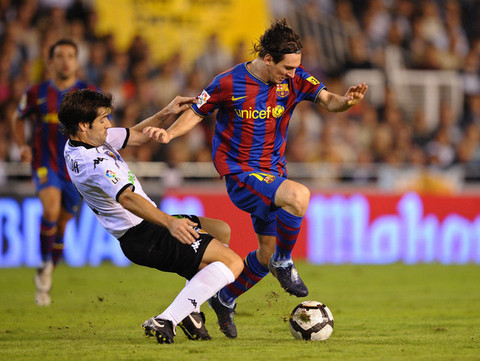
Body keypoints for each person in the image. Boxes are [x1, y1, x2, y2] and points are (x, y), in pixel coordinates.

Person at [145, 19, 368, 338]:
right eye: (287, 68)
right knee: (298, 197)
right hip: (241, 173)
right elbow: (196, 111)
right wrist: (169, 133)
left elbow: (329, 100)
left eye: (296, 68)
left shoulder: (295, 78)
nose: (292, 75)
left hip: (273, 172)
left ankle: (225, 297)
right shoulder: (227, 83)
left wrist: (346, 102)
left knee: (262, 253)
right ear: (267, 59)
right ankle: (285, 261)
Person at [58, 89, 243, 344]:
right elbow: (127, 198)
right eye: (102, 120)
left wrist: (166, 112)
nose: (108, 125)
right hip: (145, 235)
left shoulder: (83, 140)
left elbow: (137, 136)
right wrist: (170, 223)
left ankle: (191, 308)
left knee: (221, 231)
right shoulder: (93, 163)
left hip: (146, 228)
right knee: (233, 264)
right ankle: (168, 319)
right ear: (83, 125)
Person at [11, 39, 97, 306]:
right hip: (45, 162)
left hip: (77, 168)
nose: (65, 61)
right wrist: (22, 146)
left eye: (70, 56)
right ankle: (45, 263)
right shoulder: (36, 91)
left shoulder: (87, 92)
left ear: (77, 61)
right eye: (59, 56)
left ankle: (50, 260)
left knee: (62, 222)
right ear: (50, 62)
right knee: (50, 210)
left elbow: (104, 121)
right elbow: (17, 118)